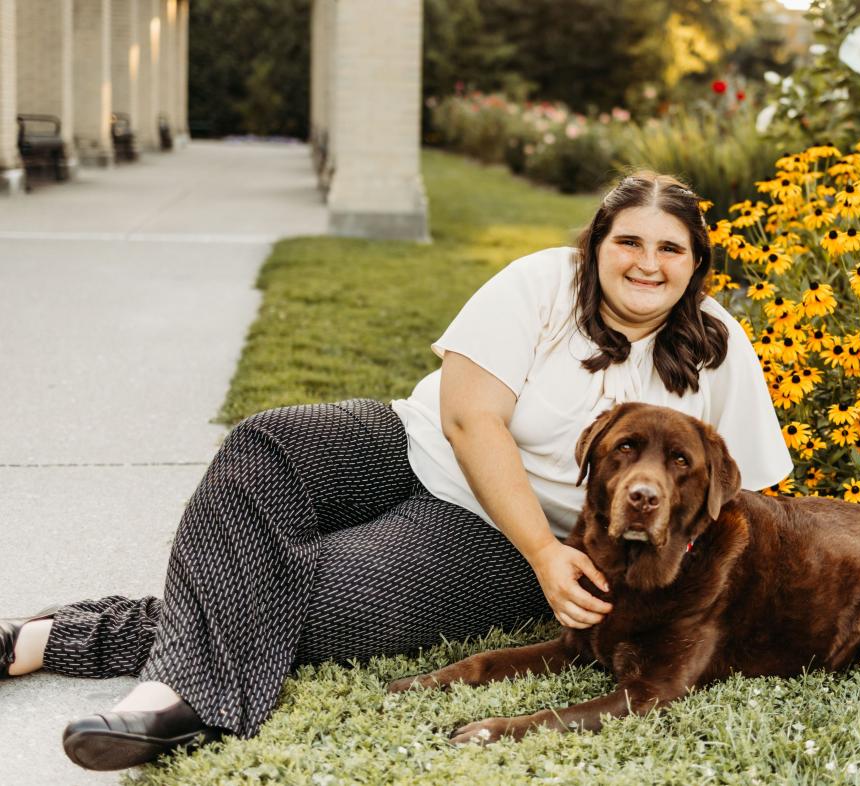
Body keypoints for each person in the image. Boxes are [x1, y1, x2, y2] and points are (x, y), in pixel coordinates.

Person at [0, 170, 793, 771]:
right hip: (407, 442)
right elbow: (467, 417)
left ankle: (43, 643)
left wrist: (571, 560)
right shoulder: (542, 283)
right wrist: (547, 552)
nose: (646, 263)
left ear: (696, 264)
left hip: (488, 534)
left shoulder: (719, 349)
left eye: (670, 248)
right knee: (265, 441)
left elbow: (750, 495)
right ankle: (170, 699)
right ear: (597, 244)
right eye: (629, 241)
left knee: (310, 603)